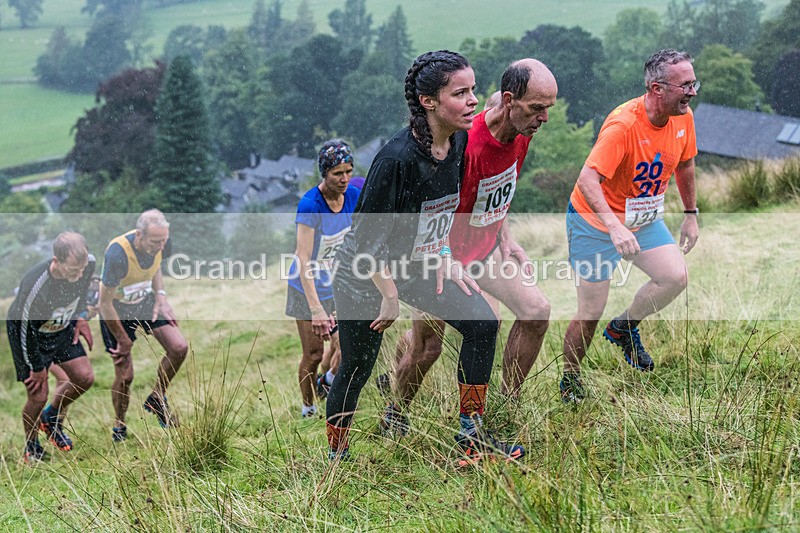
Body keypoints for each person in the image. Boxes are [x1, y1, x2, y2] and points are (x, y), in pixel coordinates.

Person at [325, 50, 524, 464]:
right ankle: (337, 456)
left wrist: (445, 255)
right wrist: (390, 294)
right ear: (429, 102)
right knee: (358, 367)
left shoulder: (459, 142)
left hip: (419, 265)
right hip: (364, 274)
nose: (473, 100)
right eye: (461, 93)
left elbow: (442, 209)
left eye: (473, 90)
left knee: (483, 324)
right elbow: (365, 242)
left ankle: (470, 436)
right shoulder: (395, 160)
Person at [379, 59, 557, 428]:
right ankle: (397, 412)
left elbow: (498, 188)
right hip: (441, 256)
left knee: (536, 312)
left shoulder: (522, 133)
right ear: (510, 101)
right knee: (427, 349)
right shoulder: (467, 141)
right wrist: (444, 255)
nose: (544, 118)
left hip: (485, 250)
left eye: (548, 108)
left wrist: (506, 236)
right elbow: (435, 207)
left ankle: (506, 406)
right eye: (537, 108)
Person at [561, 49, 700, 402]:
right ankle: (570, 379)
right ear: (657, 88)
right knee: (590, 311)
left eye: (693, 82)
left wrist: (690, 214)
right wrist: (614, 227)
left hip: (643, 218)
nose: (693, 92)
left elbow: (685, 165)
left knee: (675, 277)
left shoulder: (683, 117)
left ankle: (623, 328)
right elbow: (587, 179)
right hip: (595, 221)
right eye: (685, 85)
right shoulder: (623, 125)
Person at [99, 209, 189, 441]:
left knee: (179, 347)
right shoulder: (118, 254)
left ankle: (157, 398)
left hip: (145, 301)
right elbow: (104, 303)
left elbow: (156, 265)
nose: (160, 246)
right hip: (117, 309)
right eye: (155, 241)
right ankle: (119, 424)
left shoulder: (162, 243)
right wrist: (123, 339)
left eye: (163, 241)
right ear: (139, 235)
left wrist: (161, 296)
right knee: (125, 374)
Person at [7, 232, 96, 464]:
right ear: (56, 260)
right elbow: (24, 330)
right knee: (39, 394)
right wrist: (37, 367)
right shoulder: (35, 284)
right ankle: (31, 447)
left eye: (81, 268)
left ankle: (51, 417)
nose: (78, 275)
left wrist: (80, 317)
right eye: (72, 270)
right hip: (28, 336)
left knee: (84, 377)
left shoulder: (88, 264)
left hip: (61, 326)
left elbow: (83, 288)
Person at [286, 139, 360, 418]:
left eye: (348, 171)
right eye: (337, 173)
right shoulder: (310, 205)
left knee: (347, 343)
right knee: (314, 353)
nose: (344, 179)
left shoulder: (352, 195)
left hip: (336, 284)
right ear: (324, 173)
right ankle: (308, 408)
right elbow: (302, 259)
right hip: (305, 288)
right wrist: (315, 308)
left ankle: (327, 382)